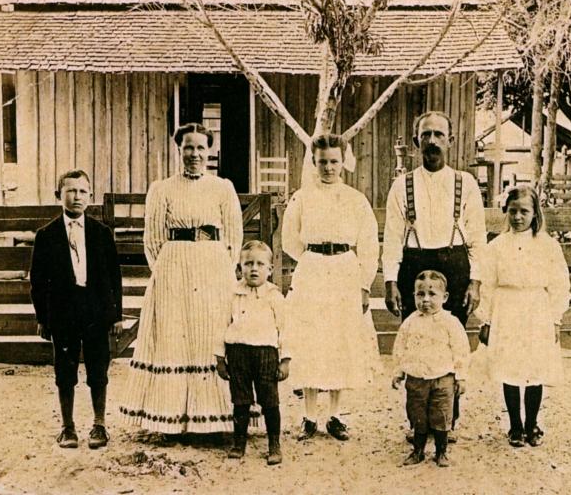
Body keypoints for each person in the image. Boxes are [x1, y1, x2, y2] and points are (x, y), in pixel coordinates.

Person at [119, 123, 243, 436]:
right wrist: (167, 270)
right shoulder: (161, 189)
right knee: (174, 337)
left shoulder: (222, 187)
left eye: (201, 148)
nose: (194, 154)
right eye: (188, 147)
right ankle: (168, 418)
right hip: (173, 266)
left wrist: (222, 270)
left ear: (210, 151)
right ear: (179, 150)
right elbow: (153, 239)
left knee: (210, 336)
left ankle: (216, 420)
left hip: (213, 266)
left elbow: (233, 235)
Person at [382, 110, 486, 436]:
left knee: (448, 343)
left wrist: (475, 281)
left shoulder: (465, 184)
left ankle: (446, 421)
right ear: (416, 142)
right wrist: (389, 281)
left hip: (454, 266)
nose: (432, 142)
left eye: (439, 135)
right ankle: (418, 423)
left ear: (450, 142)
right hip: (413, 265)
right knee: (417, 342)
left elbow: (478, 238)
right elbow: (392, 239)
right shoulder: (401, 186)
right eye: (426, 135)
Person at [282, 133, 381, 442]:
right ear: (314, 163)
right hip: (312, 270)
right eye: (322, 162)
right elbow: (289, 239)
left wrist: (363, 284)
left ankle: (335, 415)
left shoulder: (355, 199)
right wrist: (314, 259)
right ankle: (309, 416)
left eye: (334, 161)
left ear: (343, 162)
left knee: (339, 340)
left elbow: (367, 244)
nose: (328, 168)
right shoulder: (302, 197)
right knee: (312, 340)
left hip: (345, 272)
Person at [30, 169, 123, 449]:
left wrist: (116, 315)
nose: (77, 196)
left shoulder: (101, 233)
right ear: (59, 195)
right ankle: (68, 428)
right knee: (65, 370)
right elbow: (37, 281)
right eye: (70, 191)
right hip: (63, 313)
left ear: (90, 195)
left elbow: (113, 278)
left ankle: (99, 425)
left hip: (95, 312)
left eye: (82, 191)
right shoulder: (46, 236)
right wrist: (42, 319)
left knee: (98, 367)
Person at [474, 186, 570, 447]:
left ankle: (532, 424)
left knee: (534, 369)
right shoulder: (497, 246)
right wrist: (487, 321)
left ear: (535, 213)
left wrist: (555, 319)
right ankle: (515, 426)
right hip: (507, 310)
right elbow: (488, 285)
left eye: (524, 211)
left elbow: (559, 284)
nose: (518, 217)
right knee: (510, 369)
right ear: (506, 212)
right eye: (513, 211)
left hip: (536, 310)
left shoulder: (547, 246)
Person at [214, 240, 290, 465]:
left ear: (270, 269)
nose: (254, 269)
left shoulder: (274, 296)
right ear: (239, 268)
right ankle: (239, 442)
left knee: (270, 401)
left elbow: (286, 329)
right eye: (248, 264)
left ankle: (274, 444)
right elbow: (220, 326)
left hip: (266, 353)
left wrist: (285, 360)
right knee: (241, 400)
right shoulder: (232, 294)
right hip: (238, 354)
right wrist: (220, 358)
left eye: (259, 264)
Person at [392, 270, 470, 467]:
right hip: (416, 378)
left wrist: (460, 377)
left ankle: (441, 452)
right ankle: (417, 451)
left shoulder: (451, 323)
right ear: (414, 296)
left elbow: (461, 350)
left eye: (432, 294)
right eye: (420, 294)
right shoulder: (410, 322)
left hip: (443, 377)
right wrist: (399, 372)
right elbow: (400, 348)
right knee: (418, 414)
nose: (425, 300)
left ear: (444, 297)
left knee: (441, 415)